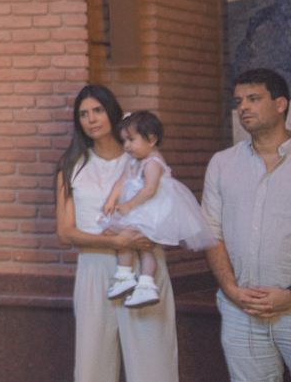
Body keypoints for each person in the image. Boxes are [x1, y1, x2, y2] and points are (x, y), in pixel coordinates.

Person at [54, 85, 179, 382]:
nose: (91, 119)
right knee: (92, 368)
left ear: (111, 111)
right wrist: (116, 241)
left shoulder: (142, 159)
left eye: (98, 110)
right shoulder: (71, 166)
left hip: (143, 267)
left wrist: (136, 238)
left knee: (154, 368)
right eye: (83, 114)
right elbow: (65, 233)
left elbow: (166, 210)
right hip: (94, 268)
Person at [202, 68, 291, 381]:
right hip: (241, 311)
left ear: (280, 104)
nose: (243, 107)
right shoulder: (223, 163)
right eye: (239, 101)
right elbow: (212, 234)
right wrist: (230, 290)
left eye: (253, 99)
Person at [100, 111, 217, 308]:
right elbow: (122, 181)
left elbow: (150, 190)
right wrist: (112, 200)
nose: (126, 146)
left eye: (131, 140)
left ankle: (131, 278)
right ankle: (140, 283)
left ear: (151, 139)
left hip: (153, 211)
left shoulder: (153, 162)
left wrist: (129, 205)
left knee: (128, 240)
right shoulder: (133, 161)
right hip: (140, 209)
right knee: (138, 246)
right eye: (124, 141)